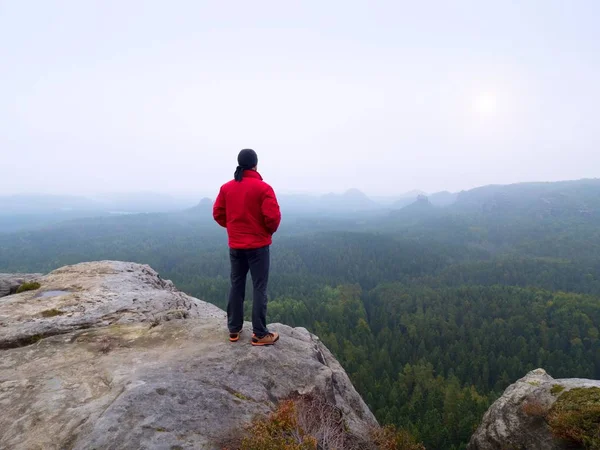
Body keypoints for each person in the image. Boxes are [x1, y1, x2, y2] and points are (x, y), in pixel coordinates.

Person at [213, 149, 282, 346]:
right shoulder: (263, 188)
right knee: (259, 287)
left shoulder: (227, 188)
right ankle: (260, 334)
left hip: (236, 246)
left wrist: (235, 228)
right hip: (258, 247)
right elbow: (273, 219)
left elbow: (218, 213)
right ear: (255, 165)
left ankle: (234, 330)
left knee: (236, 284)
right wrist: (264, 232)